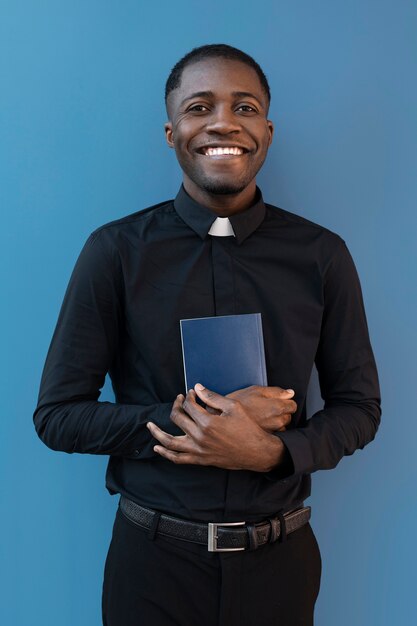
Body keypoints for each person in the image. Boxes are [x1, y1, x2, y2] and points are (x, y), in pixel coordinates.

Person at [33, 44, 381, 626]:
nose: (224, 122)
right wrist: (191, 426)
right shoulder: (115, 252)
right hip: (152, 567)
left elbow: (360, 408)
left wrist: (274, 452)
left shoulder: (322, 256)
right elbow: (58, 416)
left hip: (282, 566)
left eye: (244, 108)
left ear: (266, 131)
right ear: (172, 133)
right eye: (200, 107)